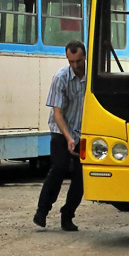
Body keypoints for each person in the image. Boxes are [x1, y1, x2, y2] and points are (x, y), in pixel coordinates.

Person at [33, 40, 87, 232]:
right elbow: (57, 113)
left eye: (78, 61)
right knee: (59, 167)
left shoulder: (92, 77)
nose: (75, 65)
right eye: (71, 61)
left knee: (81, 176)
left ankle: (68, 215)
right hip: (61, 130)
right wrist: (69, 138)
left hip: (83, 132)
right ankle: (42, 211)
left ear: (85, 57)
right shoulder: (60, 78)